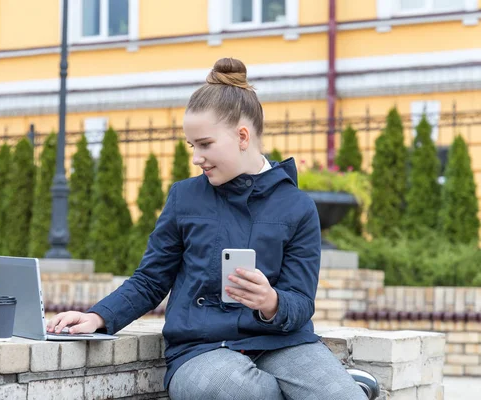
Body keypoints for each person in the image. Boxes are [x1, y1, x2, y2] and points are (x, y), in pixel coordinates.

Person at [47, 58, 370, 400]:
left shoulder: (298, 206)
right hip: (199, 350)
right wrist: (99, 315)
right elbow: (151, 279)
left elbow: (301, 302)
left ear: (242, 136)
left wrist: (271, 302)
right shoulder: (184, 197)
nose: (196, 157)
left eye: (204, 144)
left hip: (282, 343)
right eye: (192, 146)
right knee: (251, 394)